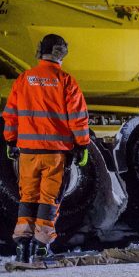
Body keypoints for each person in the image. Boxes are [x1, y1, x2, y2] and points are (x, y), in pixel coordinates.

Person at [2, 34, 90, 262]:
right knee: (48, 200)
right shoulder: (66, 81)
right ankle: (41, 248)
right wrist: (82, 145)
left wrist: (11, 140)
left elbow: (10, 114)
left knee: (28, 197)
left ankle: (22, 247)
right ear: (62, 53)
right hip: (55, 154)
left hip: (28, 153)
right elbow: (78, 118)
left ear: (41, 51)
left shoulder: (24, 79)